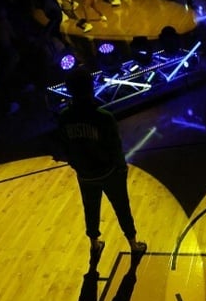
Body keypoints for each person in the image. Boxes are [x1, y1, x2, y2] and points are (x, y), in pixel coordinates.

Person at [57, 68, 147, 262]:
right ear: (91, 88)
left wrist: (76, 165)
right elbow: (115, 148)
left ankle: (94, 245)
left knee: (90, 209)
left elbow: (63, 146)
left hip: (85, 174)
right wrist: (121, 168)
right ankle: (133, 244)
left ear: (69, 90)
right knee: (122, 208)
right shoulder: (103, 117)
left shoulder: (64, 116)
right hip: (108, 172)